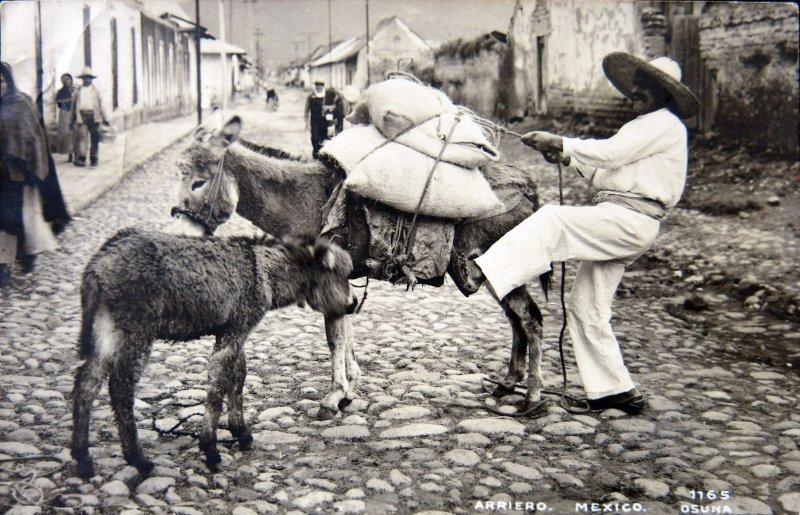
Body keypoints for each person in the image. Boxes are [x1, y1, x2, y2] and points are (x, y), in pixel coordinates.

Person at [460, 53, 699, 415]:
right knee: (586, 306)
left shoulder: (664, 124)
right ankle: (615, 390)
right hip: (620, 216)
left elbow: (612, 152)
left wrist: (562, 141)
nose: (636, 90)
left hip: (629, 220)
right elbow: (606, 171)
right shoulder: (643, 126)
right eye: (636, 83)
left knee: (553, 219)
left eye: (647, 86)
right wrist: (567, 157)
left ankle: (486, 270)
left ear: (665, 94)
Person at [0, 62, 71, 288]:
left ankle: (18, 261)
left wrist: (19, 159)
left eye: (1, 81)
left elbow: (32, 137)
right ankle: (5, 264)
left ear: (8, 81)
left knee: (15, 218)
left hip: (18, 173)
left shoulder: (21, 103)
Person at [72, 66, 110, 167]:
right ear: (82, 79)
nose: (86, 79)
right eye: (84, 77)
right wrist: (73, 119)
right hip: (82, 116)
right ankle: (81, 159)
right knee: (82, 137)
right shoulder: (78, 91)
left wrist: (106, 118)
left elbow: (102, 105)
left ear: (91, 79)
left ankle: (94, 159)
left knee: (95, 138)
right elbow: (74, 105)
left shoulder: (96, 91)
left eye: (88, 77)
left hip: (94, 117)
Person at [55, 73, 77, 162]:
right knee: (67, 134)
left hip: (75, 112)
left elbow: (78, 100)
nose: (66, 81)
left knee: (75, 133)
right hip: (64, 114)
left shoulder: (75, 90)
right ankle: (70, 155)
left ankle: (77, 154)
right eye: (63, 79)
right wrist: (68, 101)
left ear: (71, 80)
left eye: (67, 79)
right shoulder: (60, 92)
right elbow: (58, 102)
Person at [304, 80, 329, 158]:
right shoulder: (310, 96)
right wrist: (306, 121)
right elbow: (306, 110)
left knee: (324, 138)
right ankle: (315, 153)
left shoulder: (327, 96)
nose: (319, 86)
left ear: (323, 86)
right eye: (317, 85)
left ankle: (323, 155)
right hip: (314, 121)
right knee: (314, 137)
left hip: (325, 121)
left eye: (321, 84)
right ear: (315, 86)